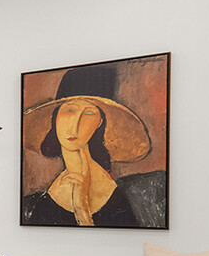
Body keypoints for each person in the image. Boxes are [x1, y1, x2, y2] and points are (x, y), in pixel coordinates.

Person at [21, 62, 166, 227]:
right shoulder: (34, 204)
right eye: (69, 111)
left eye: (89, 113)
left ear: (99, 122)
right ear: (55, 117)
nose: (75, 125)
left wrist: (81, 207)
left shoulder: (132, 194)